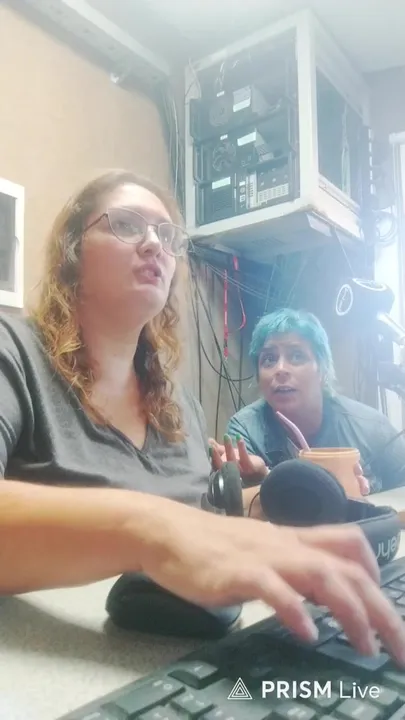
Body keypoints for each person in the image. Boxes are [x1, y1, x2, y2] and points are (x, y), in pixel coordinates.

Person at [0, 171, 404, 664]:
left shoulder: (176, 403)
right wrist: (148, 531)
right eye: (126, 224)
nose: (155, 244)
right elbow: (167, 530)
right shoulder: (12, 351)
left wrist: (291, 502)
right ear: (72, 252)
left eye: (167, 235)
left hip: (193, 657)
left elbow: (199, 515)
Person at [226, 308, 405, 494]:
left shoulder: (372, 428)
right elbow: (235, 504)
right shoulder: (245, 431)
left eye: (297, 356)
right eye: (269, 359)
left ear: (323, 370)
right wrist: (261, 478)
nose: (280, 369)